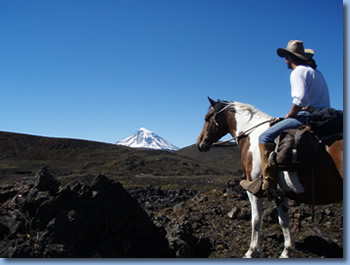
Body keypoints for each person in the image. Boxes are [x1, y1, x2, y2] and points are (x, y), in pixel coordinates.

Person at [259, 40, 330, 191]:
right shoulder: (316, 72)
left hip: (307, 116)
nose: (284, 60)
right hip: (326, 115)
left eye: (285, 57)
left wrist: (288, 116)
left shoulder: (298, 72)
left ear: (290, 58)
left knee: (264, 137)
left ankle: (268, 182)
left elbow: (300, 100)